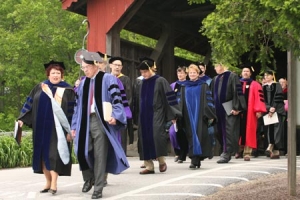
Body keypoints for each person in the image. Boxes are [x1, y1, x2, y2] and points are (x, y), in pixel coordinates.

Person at [71, 51, 129, 199]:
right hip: (84, 120)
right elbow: (77, 107)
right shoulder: (83, 82)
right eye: (83, 67)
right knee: (82, 151)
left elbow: (117, 99)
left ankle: (98, 187)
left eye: (86, 67)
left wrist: (116, 116)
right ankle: (88, 177)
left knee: (99, 154)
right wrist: (74, 126)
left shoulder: (108, 79)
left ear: (95, 65)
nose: (84, 70)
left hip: (100, 120)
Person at [17, 60, 75, 194]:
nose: (56, 75)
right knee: (43, 155)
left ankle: (54, 183)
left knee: (54, 155)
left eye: (58, 73)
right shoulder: (40, 87)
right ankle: (48, 182)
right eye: (53, 73)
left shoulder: (68, 90)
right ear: (48, 74)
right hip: (40, 127)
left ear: (62, 75)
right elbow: (29, 105)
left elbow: (73, 111)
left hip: (58, 130)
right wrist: (21, 119)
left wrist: (70, 130)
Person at [137, 57, 181, 174]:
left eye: (145, 71)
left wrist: (173, 114)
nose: (144, 74)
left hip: (157, 113)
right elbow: (137, 100)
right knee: (143, 138)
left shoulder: (160, 81)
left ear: (151, 69)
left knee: (157, 136)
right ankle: (149, 166)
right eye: (142, 72)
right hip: (143, 115)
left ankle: (161, 161)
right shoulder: (141, 83)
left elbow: (169, 97)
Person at [180, 64, 217, 169]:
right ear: (188, 74)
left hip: (201, 115)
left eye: (194, 73)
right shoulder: (183, 86)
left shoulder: (203, 85)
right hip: (187, 115)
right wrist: (178, 114)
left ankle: (195, 159)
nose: (192, 74)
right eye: (190, 73)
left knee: (199, 136)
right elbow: (180, 102)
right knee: (190, 136)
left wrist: (210, 114)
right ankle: (195, 159)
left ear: (198, 74)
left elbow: (208, 100)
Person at [210, 63, 246, 163]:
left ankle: (227, 152)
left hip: (229, 106)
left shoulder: (232, 76)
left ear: (222, 66)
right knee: (218, 131)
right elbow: (212, 95)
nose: (214, 68)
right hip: (217, 108)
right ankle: (224, 150)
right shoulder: (215, 79)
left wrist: (237, 107)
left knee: (229, 131)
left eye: (216, 66)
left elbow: (237, 92)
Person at [237, 64, 267, 161]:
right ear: (241, 73)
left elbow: (259, 98)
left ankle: (247, 152)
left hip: (250, 112)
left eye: (247, 71)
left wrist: (258, 110)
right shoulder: (237, 83)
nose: (245, 73)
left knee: (249, 131)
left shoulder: (255, 84)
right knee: (237, 130)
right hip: (239, 112)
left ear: (250, 73)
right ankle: (239, 150)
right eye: (244, 71)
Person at [109, 56, 134, 154]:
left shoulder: (125, 79)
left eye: (119, 65)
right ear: (110, 65)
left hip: (120, 113)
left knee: (122, 136)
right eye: (115, 65)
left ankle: (121, 157)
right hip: (108, 113)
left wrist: (122, 112)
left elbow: (128, 98)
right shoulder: (106, 78)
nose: (117, 67)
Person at [262, 70, 285, 159]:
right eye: (265, 76)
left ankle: (272, 146)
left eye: (268, 75)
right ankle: (274, 151)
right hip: (268, 112)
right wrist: (268, 108)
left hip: (277, 111)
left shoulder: (277, 85)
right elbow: (262, 100)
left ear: (272, 76)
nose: (266, 77)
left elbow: (279, 97)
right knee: (269, 130)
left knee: (277, 130)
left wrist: (273, 108)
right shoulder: (263, 87)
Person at [169, 66, 188, 163]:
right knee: (173, 133)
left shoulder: (189, 85)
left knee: (185, 134)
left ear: (186, 74)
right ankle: (178, 152)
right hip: (176, 113)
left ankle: (184, 154)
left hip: (187, 113)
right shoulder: (173, 85)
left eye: (182, 73)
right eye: (178, 73)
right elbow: (170, 101)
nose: (180, 75)